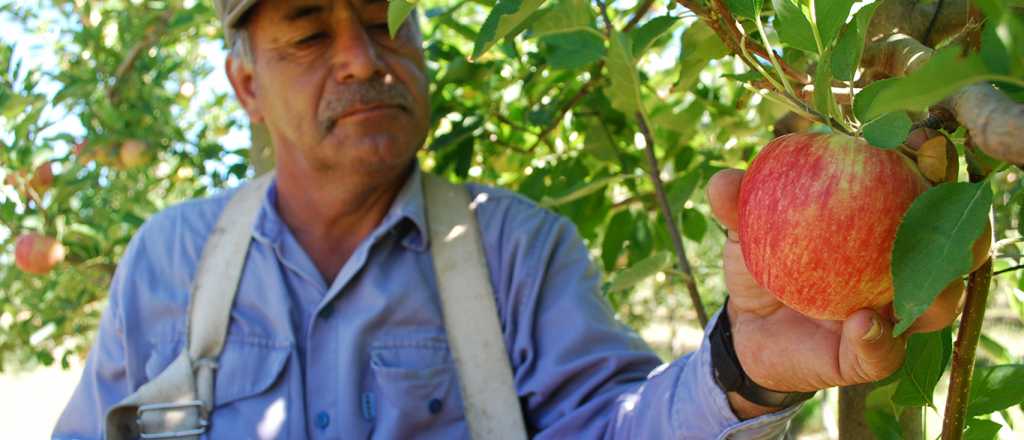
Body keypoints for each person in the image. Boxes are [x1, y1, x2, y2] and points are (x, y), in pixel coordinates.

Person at [53, 0, 965, 438]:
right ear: (245, 84)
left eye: (388, 25)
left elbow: (612, 429)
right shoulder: (167, 260)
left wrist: (742, 371)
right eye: (307, 35)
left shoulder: (518, 247)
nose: (365, 60)